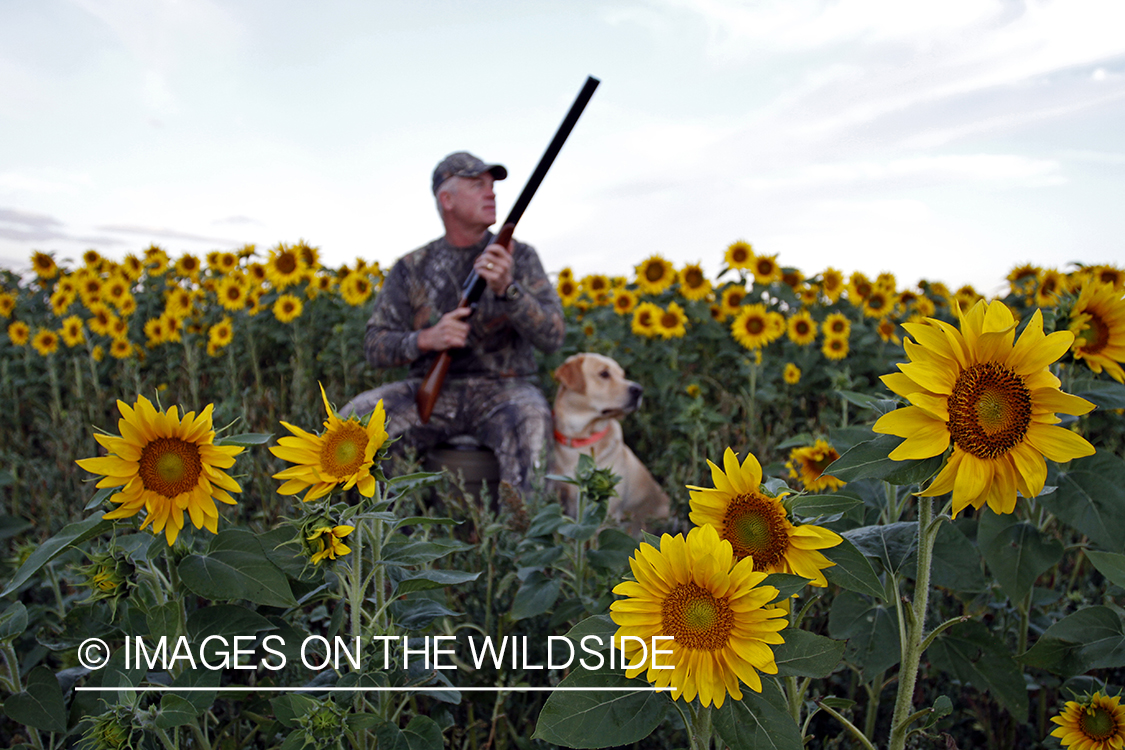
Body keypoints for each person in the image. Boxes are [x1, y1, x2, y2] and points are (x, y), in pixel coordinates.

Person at [341, 152, 565, 495]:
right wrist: (427, 339)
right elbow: (375, 346)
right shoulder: (412, 266)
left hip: (505, 389)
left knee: (531, 420)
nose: (491, 193)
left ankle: (526, 543)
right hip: (432, 392)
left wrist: (509, 290)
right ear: (447, 199)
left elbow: (553, 336)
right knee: (354, 422)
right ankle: (363, 537)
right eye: (477, 186)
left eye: (492, 186)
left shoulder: (519, 257)